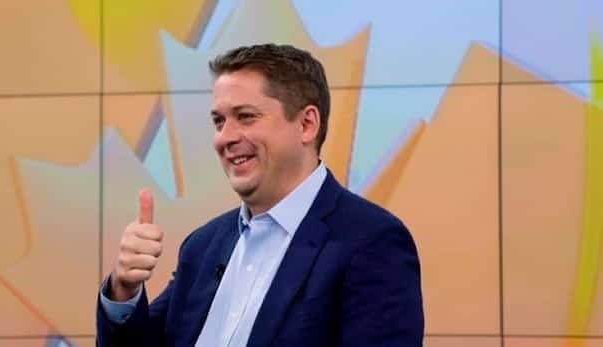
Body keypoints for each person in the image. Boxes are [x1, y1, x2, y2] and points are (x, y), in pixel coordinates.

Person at [96, 43, 424, 347]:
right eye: (218, 121)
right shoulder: (203, 245)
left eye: (245, 117)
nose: (224, 137)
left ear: (307, 124)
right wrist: (124, 289)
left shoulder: (371, 240)